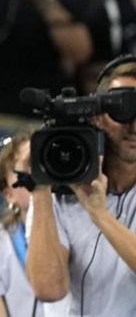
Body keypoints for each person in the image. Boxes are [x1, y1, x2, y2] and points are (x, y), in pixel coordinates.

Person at [27, 54, 136, 314]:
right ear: (97, 117)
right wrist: (40, 186)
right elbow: (49, 289)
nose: (133, 126)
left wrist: (99, 213)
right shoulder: (59, 193)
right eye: (122, 110)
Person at [0, 129, 71, 315]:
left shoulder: (83, 227)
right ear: (8, 194)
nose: (38, 176)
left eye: (42, 164)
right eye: (28, 168)